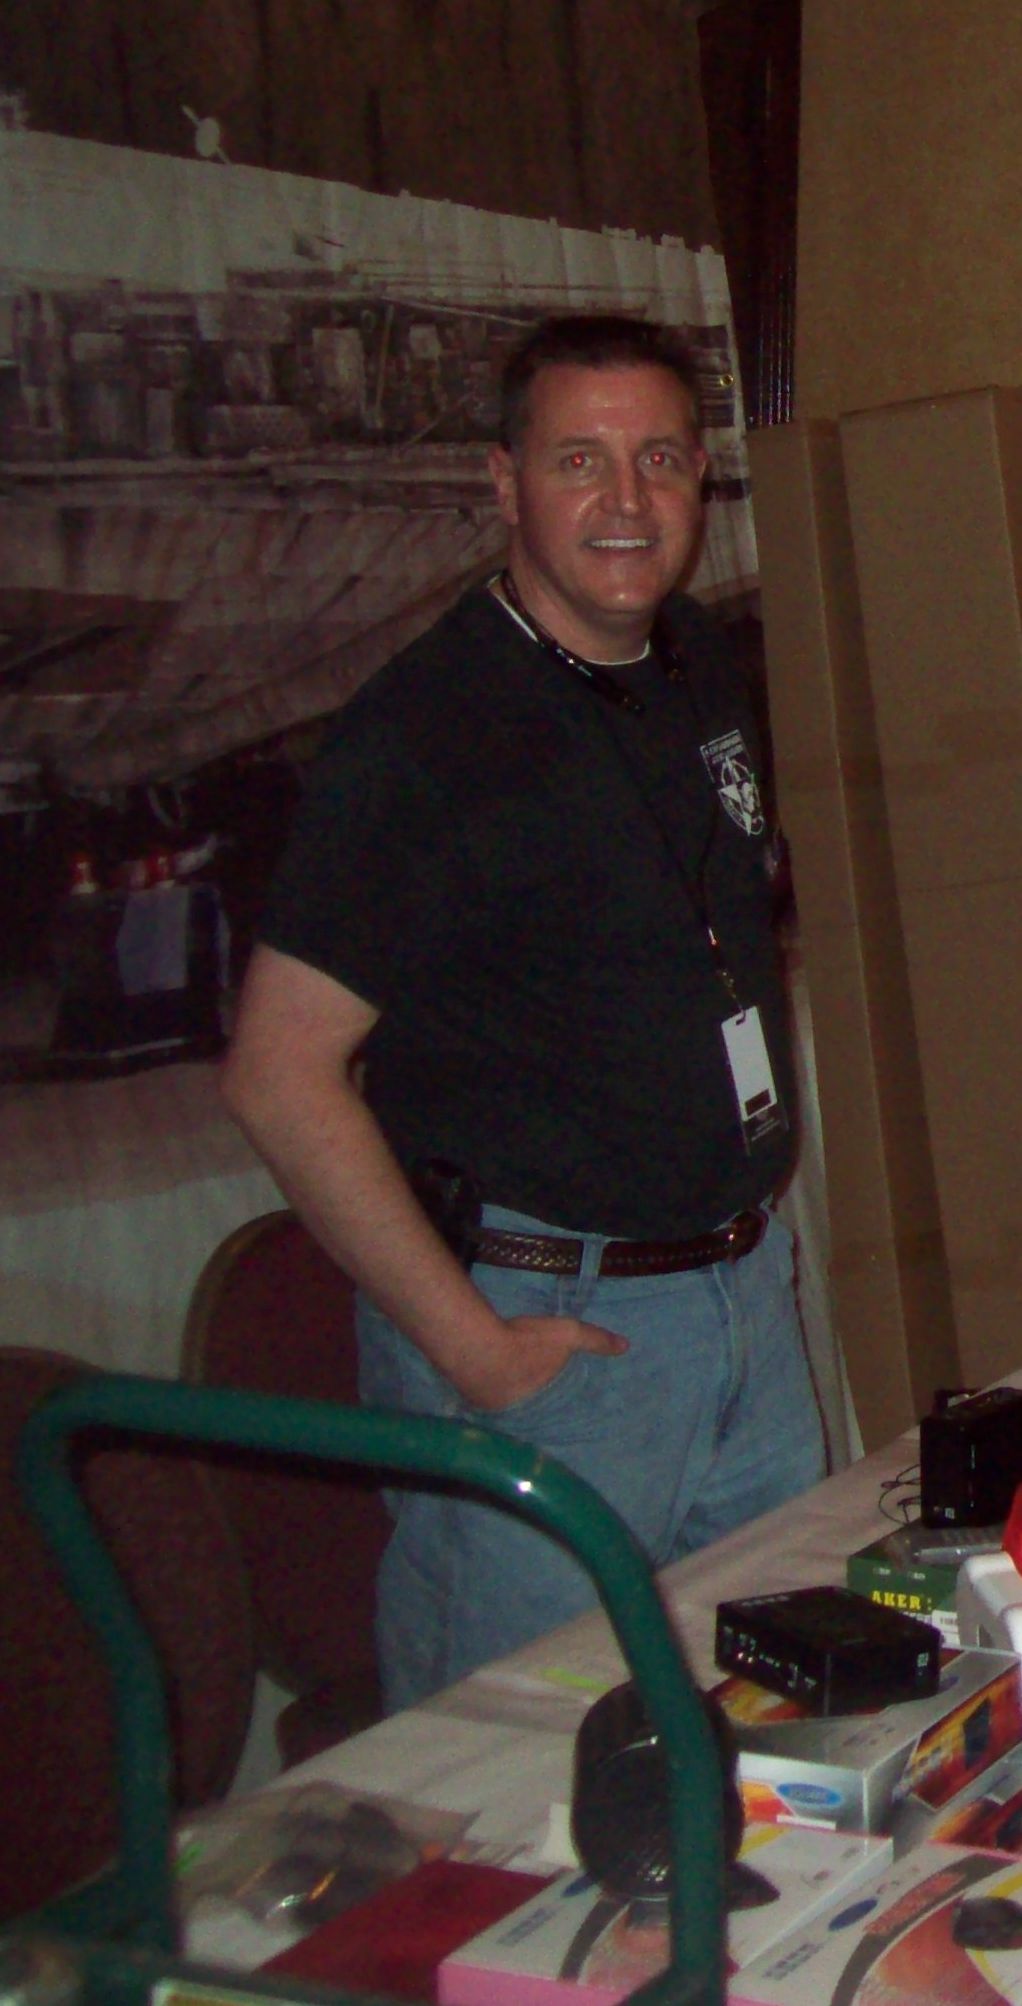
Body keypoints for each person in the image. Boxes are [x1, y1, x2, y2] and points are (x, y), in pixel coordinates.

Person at [221, 315, 821, 1707]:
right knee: (517, 1773)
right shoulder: (426, 733)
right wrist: (477, 1353)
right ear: (505, 483)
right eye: (579, 461)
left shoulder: (693, 663)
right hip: (555, 1329)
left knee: (771, 1733)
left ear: (700, 479)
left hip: (739, 1300)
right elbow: (278, 1074)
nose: (627, 501)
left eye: (659, 459)